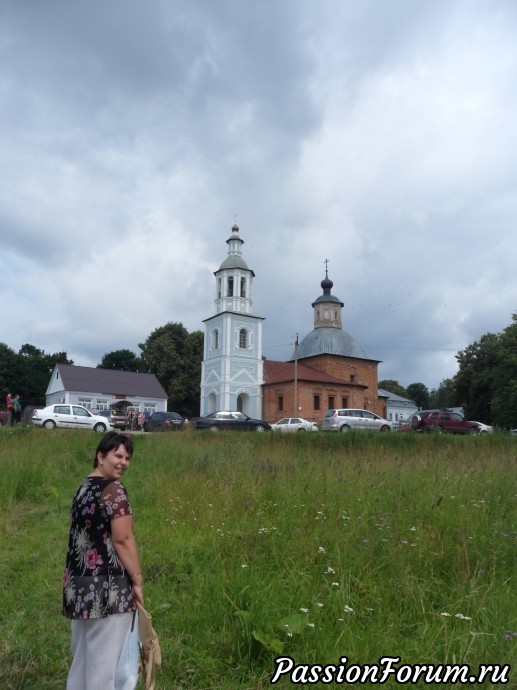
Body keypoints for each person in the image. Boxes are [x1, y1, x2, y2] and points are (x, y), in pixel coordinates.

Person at [62, 431, 144, 690]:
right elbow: (123, 539)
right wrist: (138, 580)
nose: (124, 462)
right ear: (100, 456)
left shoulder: (85, 486)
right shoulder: (113, 490)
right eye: (117, 455)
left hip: (78, 585)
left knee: (82, 663)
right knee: (103, 671)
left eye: (128, 457)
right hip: (108, 589)